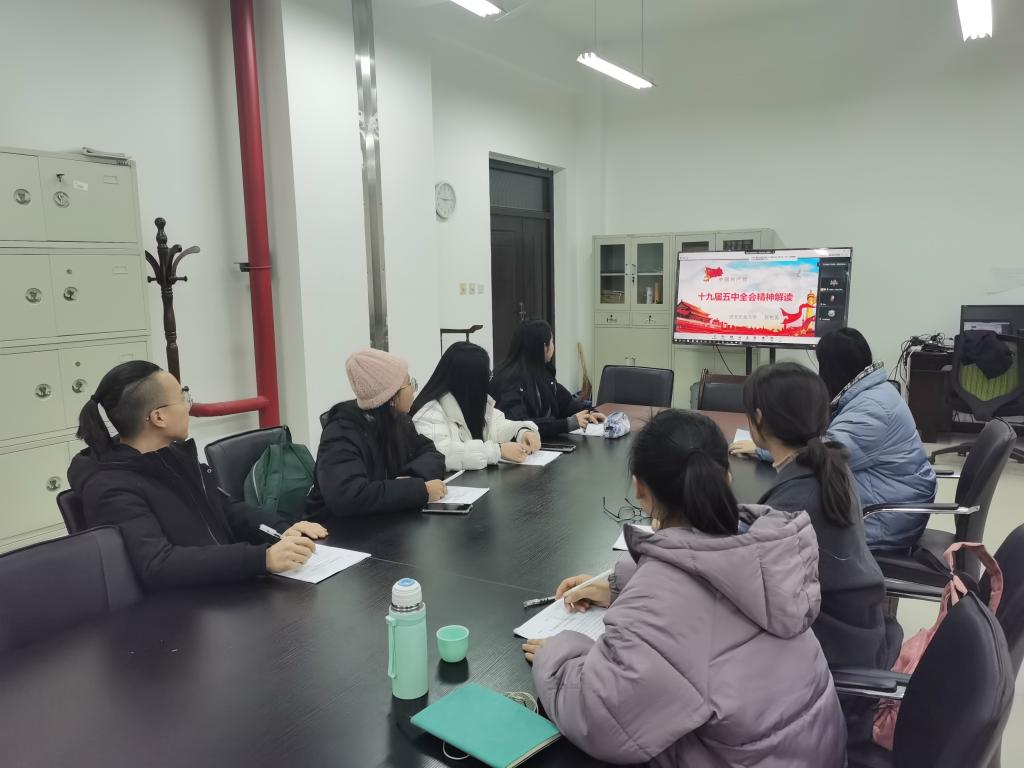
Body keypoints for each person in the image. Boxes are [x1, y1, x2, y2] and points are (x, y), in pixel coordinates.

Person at [523, 410, 846, 767]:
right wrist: (620, 583)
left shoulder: (659, 603)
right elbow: (707, 579)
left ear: (639, 488)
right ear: (726, 478)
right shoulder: (764, 546)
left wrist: (559, 652)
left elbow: (600, 718)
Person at [68, 361, 325, 591]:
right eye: (182, 398)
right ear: (158, 416)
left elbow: (224, 507)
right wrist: (261, 559)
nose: (188, 406)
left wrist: (281, 529)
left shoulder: (173, 455)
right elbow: (159, 564)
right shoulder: (111, 486)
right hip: (185, 610)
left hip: (226, 585)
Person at [743, 362, 892, 756]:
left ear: (758, 419)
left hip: (826, 658)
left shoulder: (795, 501)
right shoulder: (830, 465)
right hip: (855, 634)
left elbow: (745, 592)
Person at [732, 327, 936, 549]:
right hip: (888, 496)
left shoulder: (872, 408)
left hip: (884, 518)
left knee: (763, 530)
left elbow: (824, 452)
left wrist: (766, 446)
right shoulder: (871, 392)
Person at [306, 349, 447, 520]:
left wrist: (411, 479)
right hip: (334, 529)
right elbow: (348, 497)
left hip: (383, 523)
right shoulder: (340, 434)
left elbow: (431, 453)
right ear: (391, 397)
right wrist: (417, 491)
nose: (413, 389)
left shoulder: (398, 421)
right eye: (409, 383)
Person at [412, 342, 541, 470]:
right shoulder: (429, 414)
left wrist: (522, 432)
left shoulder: (470, 403)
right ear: (471, 381)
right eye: (486, 376)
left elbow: (498, 426)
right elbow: (442, 454)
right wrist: (497, 451)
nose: (488, 382)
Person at [489, 319, 605, 438]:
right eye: (552, 341)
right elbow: (519, 424)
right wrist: (566, 424)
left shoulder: (542, 371)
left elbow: (565, 403)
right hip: (518, 446)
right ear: (545, 347)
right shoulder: (509, 379)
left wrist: (589, 413)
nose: (553, 346)